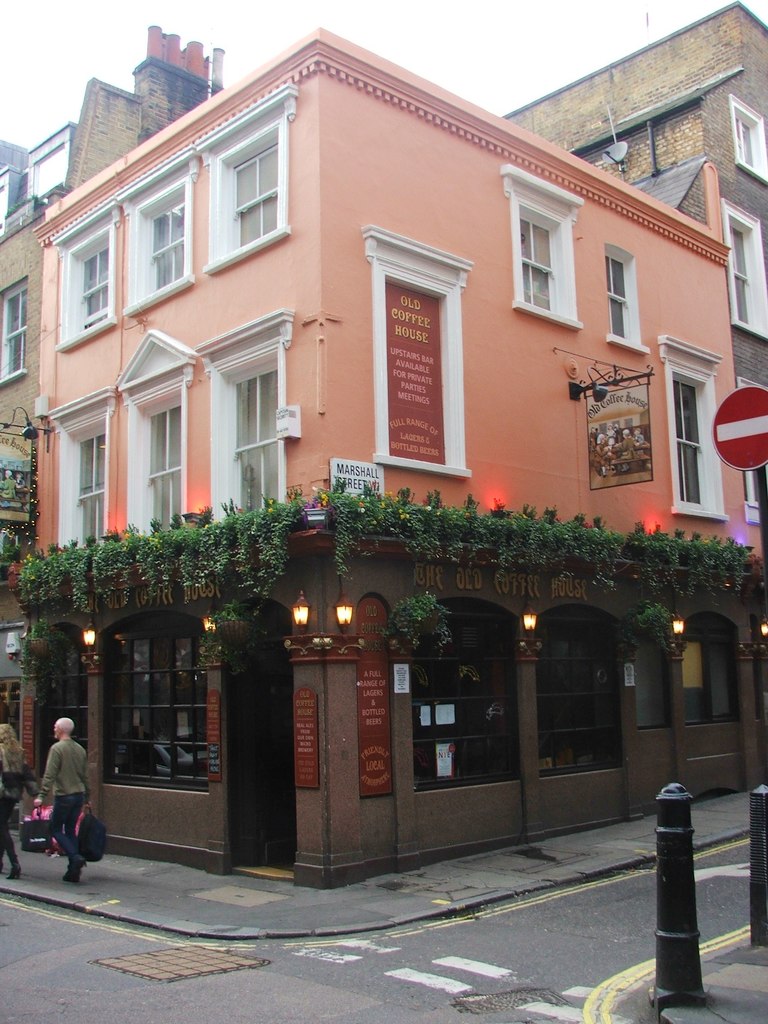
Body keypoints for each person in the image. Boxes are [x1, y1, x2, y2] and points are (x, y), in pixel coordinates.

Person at [34, 718, 89, 883]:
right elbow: (85, 776)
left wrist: (41, 796)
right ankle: (73, 872)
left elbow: (50, 774)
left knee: (55, 828)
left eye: (55, 726)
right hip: (79, 794)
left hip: (64, 795)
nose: (54, 728)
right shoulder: (80, 749)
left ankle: (75, 856)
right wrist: (88, 797)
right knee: (71, 830)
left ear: (62, 730)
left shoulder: (56, 749)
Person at [0, 723, 38, 880]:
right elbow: (27, 774)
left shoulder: (0, 751)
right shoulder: (18, 752)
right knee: (2, 826)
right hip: (13, 795)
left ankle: (14, 863)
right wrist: (34, 791)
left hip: (2, 793)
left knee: (2, 828)